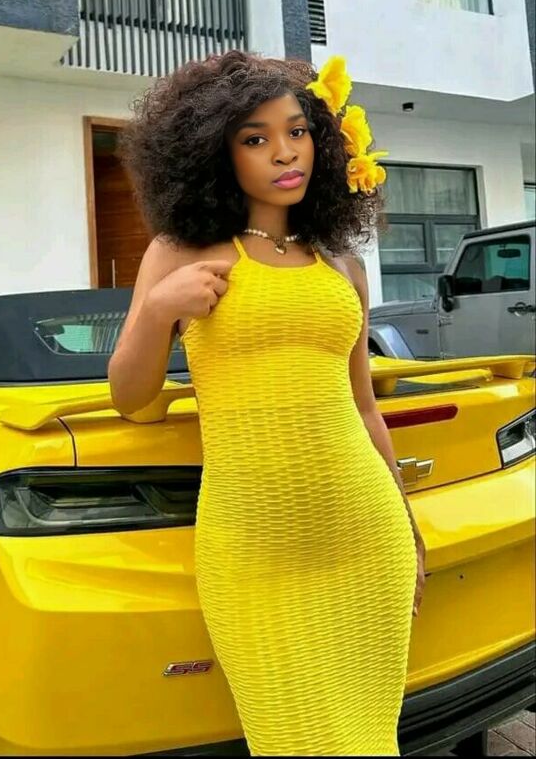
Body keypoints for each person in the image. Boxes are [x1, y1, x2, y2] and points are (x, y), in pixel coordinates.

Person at [108, 49, 426, 757]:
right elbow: (130, 397)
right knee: (292, 738)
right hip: (257, 552)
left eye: (298, 131)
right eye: (255, 138)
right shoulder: (180, 253)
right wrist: (159, 309)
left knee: (370, 739)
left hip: (365, 537)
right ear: (213, 153)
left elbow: (363, 407)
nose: (285, 153)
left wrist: (406, 524)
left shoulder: (342, 266)